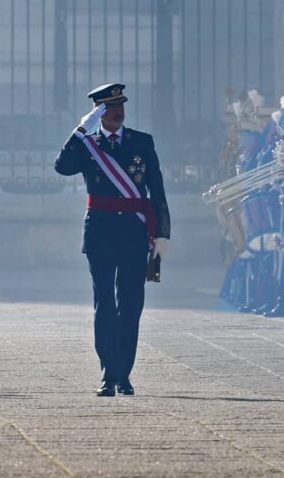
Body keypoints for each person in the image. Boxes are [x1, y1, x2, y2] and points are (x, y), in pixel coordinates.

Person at [54, 83, 170, 397]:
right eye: (109, 107)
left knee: (130, 305)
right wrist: (80, 131)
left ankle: (124, 374)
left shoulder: (141, 142)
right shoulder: (87, 145)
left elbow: (156, 190)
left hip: (135, 233)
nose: (118, 111)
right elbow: (61, 167)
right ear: (99, 112)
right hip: (100, 235)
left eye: (120, 105)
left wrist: (162, 234)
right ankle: (109, 373)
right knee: (104, 303)